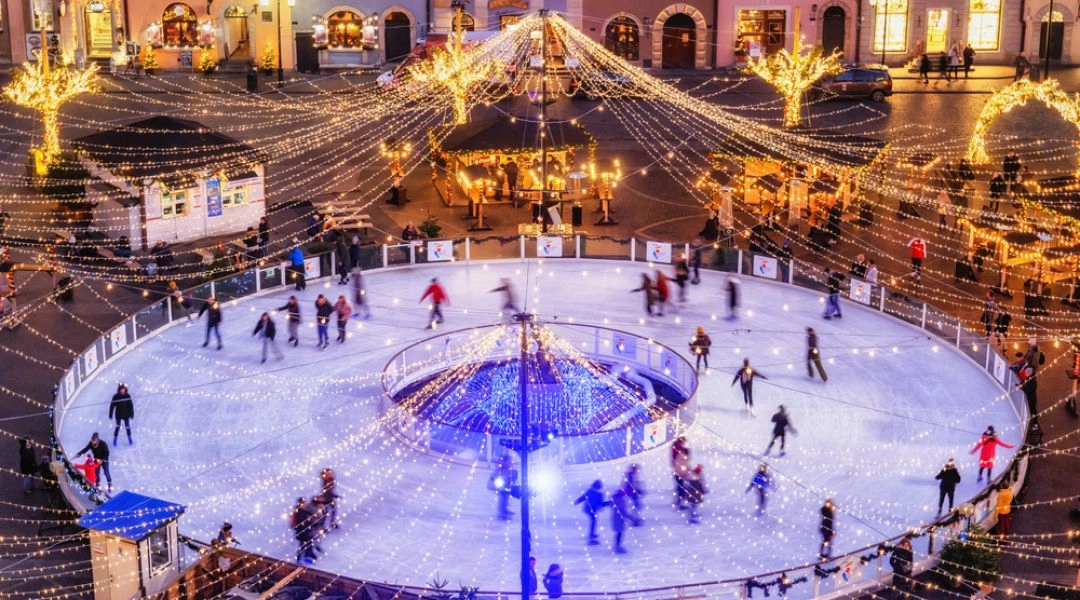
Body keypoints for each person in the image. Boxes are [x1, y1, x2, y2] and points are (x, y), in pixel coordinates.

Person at [574, 480, 610, 545]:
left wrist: (577, 501)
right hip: (592, 510)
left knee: (594, 521)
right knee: (593, 522)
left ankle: (592, 534)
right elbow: (601, 504)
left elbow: (583, 497)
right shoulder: (599, 494)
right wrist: (609, 503)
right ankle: (591, 538)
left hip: (589, 509)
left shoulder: (590, 491)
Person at [291, 497, 319, 564]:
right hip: (302, 531)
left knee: (308, 543)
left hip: (306, 531)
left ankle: (308, 556)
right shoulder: (299, 511)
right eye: (304, 503)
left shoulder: (305, 510)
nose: (305, 503)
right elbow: (303, 522)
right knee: (303, 545)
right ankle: (301, 558)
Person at [671, 437, 691, 510]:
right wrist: (687, 471)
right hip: (680, 473)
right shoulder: (681, 454)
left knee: (680, 488)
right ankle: (679, 503)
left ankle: (678, 502)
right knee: (681, 489)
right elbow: (683, 464)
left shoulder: (676, 449)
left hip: (678, 473)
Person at [610, 488, 631, 552]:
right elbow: (623, 512)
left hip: (617, 518)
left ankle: (617, 545)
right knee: (620, 532)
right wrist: (632, 518)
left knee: (619, 532)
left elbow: (609, 504)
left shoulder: (615, 499)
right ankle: (617, 546)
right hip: (619, 519)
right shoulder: (620, 502)